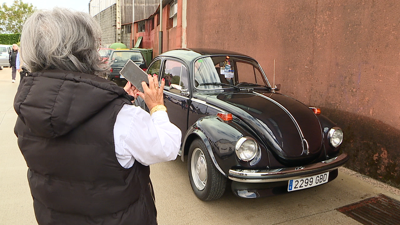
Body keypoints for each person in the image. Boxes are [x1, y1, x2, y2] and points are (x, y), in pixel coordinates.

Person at [14, 8, 181, 225]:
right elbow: (167, 147)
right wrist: (157, 107)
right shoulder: (123, 118)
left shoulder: (26, 114)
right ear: (84, 51)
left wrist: (120, 103)